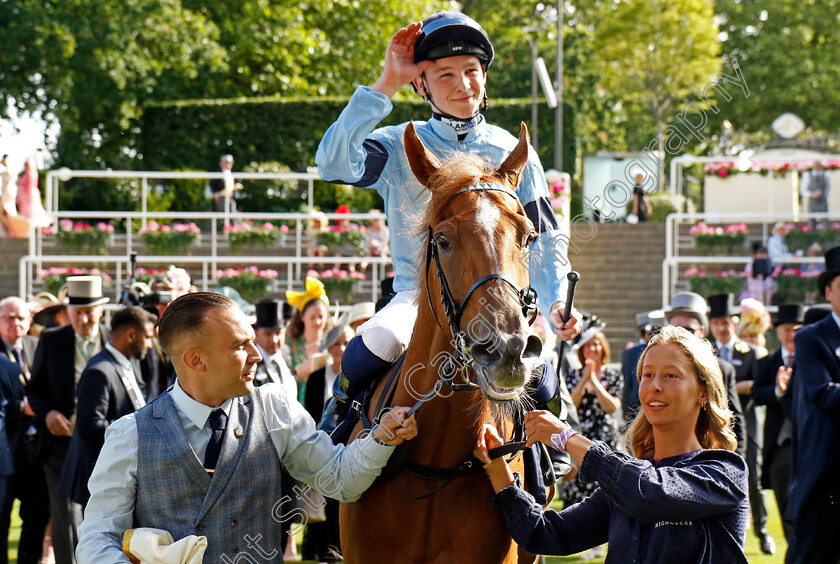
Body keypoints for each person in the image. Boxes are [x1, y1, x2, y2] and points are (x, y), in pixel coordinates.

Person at [315, 10, 581, 433]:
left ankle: (551, 452)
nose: (463, 84)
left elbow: (544, 237)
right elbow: (331, 164)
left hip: (504, 300)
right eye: (445, 75)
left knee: (544, 374)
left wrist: (555, 303)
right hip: (417, 297)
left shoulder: (515, 151)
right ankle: (337, 424)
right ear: (421, 84)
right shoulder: (398, 143)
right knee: (371, 348)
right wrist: (387, 83)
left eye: (472, 71)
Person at [75, 292, 417, 563]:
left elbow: (341, 481)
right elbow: (97, 539)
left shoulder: (275, 408)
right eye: (241, 345)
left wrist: (382, 437)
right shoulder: (129, 435)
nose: (256, 354)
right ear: (196, 359)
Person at [475, 325, 749, 562]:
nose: (654, 385)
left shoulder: (725, 472)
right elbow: (545, 535)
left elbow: (649, 494)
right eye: (647, 375)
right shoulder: (623, 485)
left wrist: (567, 438)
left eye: (671, 375)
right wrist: (498, 469)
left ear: (703, 392)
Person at [27, 276, 111, 564]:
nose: (84, 319)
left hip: (105, 441)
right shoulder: (52, 340)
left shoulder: (115, 338)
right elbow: (34, 389)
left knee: (107, 510)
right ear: (67, 313)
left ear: (101, 311)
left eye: (90, 312)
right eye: (77, 313)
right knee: (65, 514)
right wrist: (48, 413)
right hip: (60, 443)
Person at [58, 306, 155, 507]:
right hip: (104, 480)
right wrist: (139, 429)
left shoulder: (129, 364)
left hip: (123, 475)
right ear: (131, 335)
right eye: (147, 337)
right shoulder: (99, 371)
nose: (150, 345)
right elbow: (89, 425)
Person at [785, 246, 840, 562]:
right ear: (828, 291)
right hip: (827, 471)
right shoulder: (812, 337)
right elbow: (822, 393)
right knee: (813, 552)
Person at [706, 293, 772, 555]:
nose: (722, 328)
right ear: (711, 325)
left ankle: (762, 529)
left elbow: (760, 386)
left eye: (726, 322)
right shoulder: (704, 352)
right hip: (714, 423)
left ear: (734, 323)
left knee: (752, 477)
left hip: (747, 421)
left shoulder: (751, 352)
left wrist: (734, 386)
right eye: (717, 323)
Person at [663, 292, 746, 459]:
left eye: (688, 330)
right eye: (674, 330)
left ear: (701, 331)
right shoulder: (654, 368)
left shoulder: (721, 369)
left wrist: (736, 463)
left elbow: (733, 420)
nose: (681, 336)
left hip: (707, 459)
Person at [0, 297, 50, 564]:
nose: (15, 323)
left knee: (37, 513)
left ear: (29, 322)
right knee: (2, 512)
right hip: (7, 444)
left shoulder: (36, 345)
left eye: (20, 317)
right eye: (8, 317)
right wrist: (22, 407)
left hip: (37, 445)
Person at [751, 303, 803, 543]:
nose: (791, 335)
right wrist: (778, 391)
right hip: (779, 447)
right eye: (786, 329)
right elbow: (757, 393)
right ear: (778, 332)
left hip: (807, 445)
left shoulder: (812, 359)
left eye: (796, 329)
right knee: (784, 505)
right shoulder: (768, 363)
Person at [302, 320, 353, 564]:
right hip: (321, 448)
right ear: (330, 347)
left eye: (347, 343)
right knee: (321, 507)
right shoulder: (316, 378)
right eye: (338, 343)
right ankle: (323, 552)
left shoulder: (357, 375)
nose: (342, 348)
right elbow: (310, 414)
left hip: (349, 450)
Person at [285, 277, 330, 403]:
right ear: (302, 316)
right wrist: (299, 370)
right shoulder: (289, 344)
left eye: (321, 317)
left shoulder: (333, 343)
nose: (317, 322)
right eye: (313, 317)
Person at [621, 309, 665, 424]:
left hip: (635, 409)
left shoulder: (629, 353)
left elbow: (627, 384)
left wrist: (625, 409)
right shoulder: (667, 352)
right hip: (659, 406)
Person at [15, 157, 50, 229]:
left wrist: (26, 198)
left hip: (29, 196)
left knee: (32, 211)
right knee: (26, 213)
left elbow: (29, 186)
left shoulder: (30, 174)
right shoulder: (27, 174)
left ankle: (35, 228)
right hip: (25, 196)